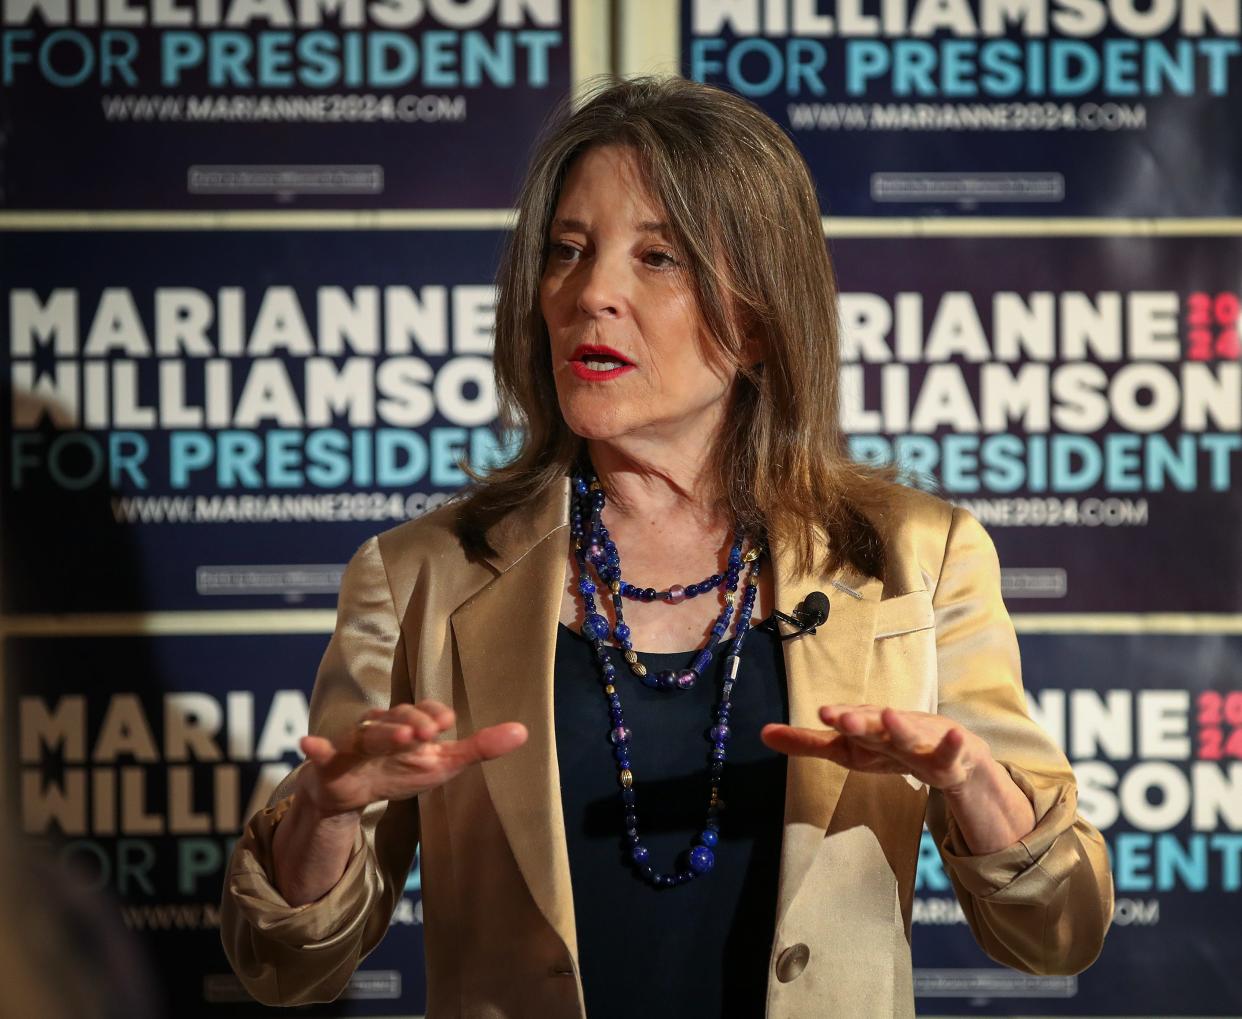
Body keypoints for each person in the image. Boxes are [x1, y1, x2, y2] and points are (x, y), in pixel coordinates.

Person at [219, 75, 1114, 1018]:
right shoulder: (421, 577)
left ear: (761, 320)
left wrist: (971, 779)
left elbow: (1057, 928)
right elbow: (283, 966)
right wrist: (320, 814)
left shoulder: (915, 561)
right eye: (568, 251)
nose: (589, 293)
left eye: (659, 258)